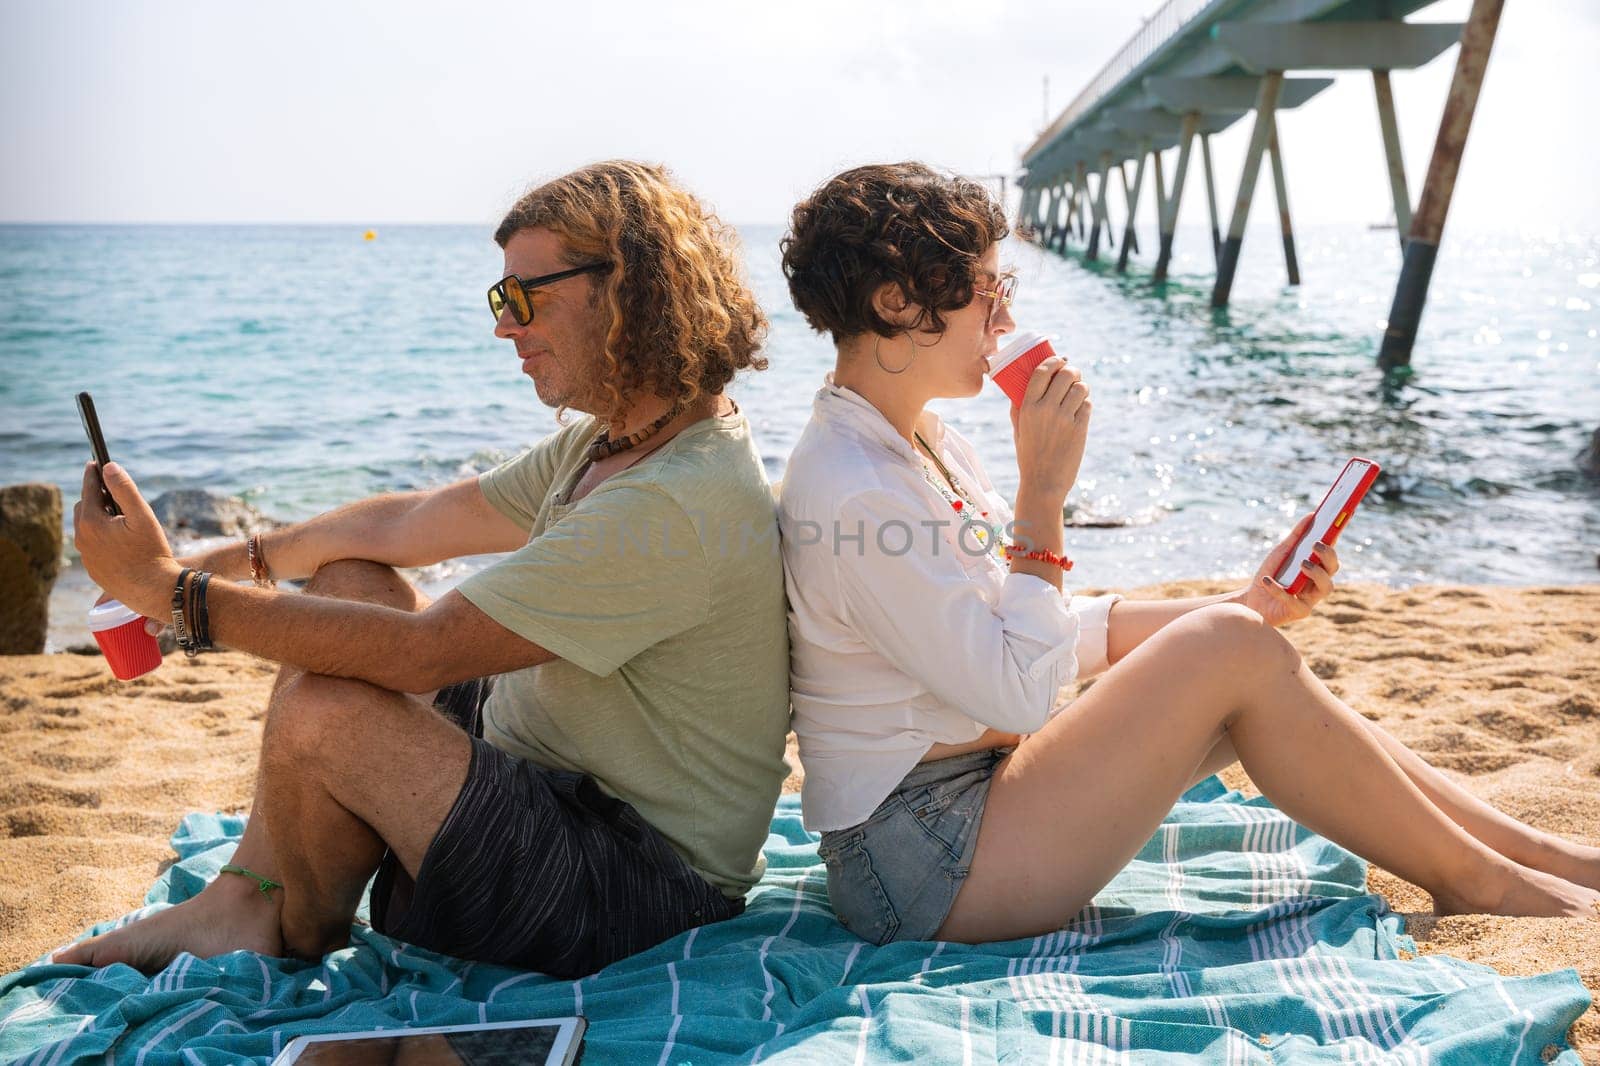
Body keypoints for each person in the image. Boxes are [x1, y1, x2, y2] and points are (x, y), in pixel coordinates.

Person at [776, 161, 1600, 947]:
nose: (1004, 319)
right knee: (1227, 651)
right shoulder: (859, 490)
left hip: (974, 809)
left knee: (1247, 650)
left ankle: (1529, 858)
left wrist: (1247, 605)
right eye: (987, 292)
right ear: (894, 303)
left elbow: (1042, 631)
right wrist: (1043, 499)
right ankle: (1483, 886)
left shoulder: (920, 441)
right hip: (922, 867)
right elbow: (1022, 692)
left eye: (1005, 288)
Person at [60, 160, 792, 978]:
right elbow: (411, 522)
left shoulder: (670, 499)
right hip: (560, 782)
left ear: (626, 288)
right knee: (352, 578)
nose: (503, 327)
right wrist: (223, 560)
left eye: (523, 297)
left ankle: (287, 925)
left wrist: (172, 594)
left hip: (634, 891)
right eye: (498, 299)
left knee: (331, 710)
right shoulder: (621, 435)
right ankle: (247, 899)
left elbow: (425, 653)